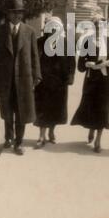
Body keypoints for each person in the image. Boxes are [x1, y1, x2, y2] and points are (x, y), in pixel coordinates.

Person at [0, 0, 42, 155]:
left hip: (24, 78)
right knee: (7, 109)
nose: (17, 16)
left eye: (20, 12)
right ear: (8, 14)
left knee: (22, 111)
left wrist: (37, 75)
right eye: (14, 13)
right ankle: (8, 137)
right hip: (4, 78)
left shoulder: (29, 32)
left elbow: (35, 56)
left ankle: (19, 143)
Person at [71, 13, 109, 153]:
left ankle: (98, 140)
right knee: (90, 107)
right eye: (97, 26)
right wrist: (88, 63)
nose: (99, 28)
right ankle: (91, 129)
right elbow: (80, 66)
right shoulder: (87, 42)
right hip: (91, 80)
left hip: (104, 81)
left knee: (103, 109)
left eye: (102, 26)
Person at [34, 17, 76, 148]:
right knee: (41, 108)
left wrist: (70, 76)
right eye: (50, 27)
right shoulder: (39, 42)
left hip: (59, 82)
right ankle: (41, 135)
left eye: (55, 28)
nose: (53, 30)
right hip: (43, 81)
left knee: (56, 108)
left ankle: (51, 131)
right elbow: (34, 60)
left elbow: (71, 62)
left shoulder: (66, 43)